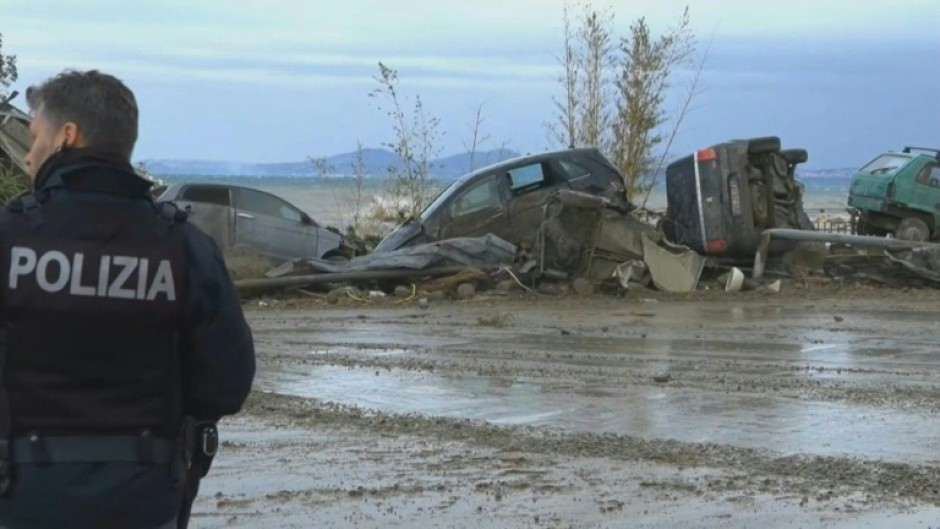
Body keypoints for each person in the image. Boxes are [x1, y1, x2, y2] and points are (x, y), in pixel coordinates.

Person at [0, 69, 256, 528]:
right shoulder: (184, 246)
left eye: (34, 137)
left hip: (20, 495)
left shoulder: (9, 237)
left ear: (66, 137)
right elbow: (226, 383)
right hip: (143, 495)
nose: (29, 155)